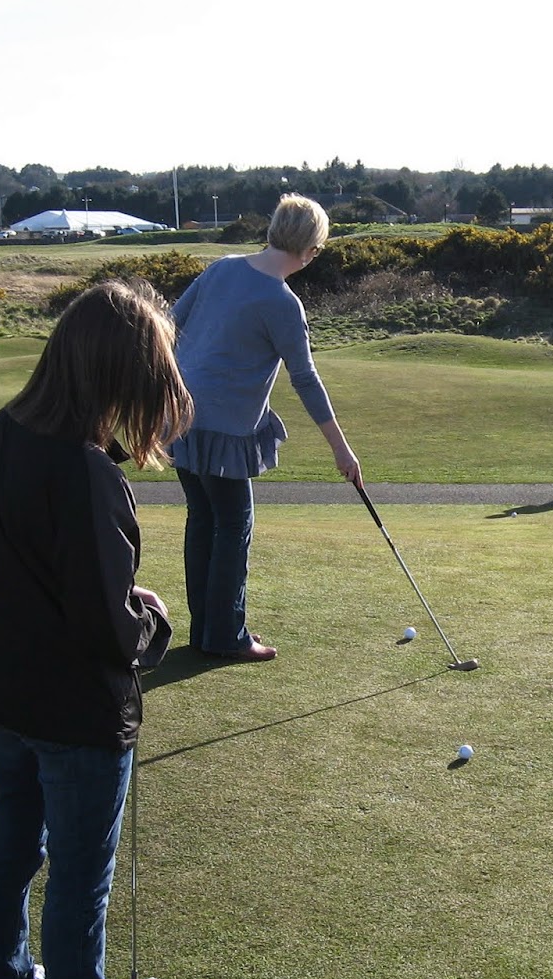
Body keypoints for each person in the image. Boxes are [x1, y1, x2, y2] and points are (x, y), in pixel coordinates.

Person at [0, 279, 197, 979]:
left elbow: (28, 571)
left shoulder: (2, 431)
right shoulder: (87, 473)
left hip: (2, 695)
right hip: (74, 713)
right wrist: (153, 621)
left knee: (14, 841)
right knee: (77, 881)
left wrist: (120, 600)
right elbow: (108, 629)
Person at [168, 194, 362, 661]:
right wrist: (341, 449)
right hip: (223, 428)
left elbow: (169, 324)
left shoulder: (222, 268)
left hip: (180, 417)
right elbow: (305, 379)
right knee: (233, 523)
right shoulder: (282, 302)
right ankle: (225, 636)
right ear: (311, 249)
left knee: (204, 519)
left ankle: (206, 630)